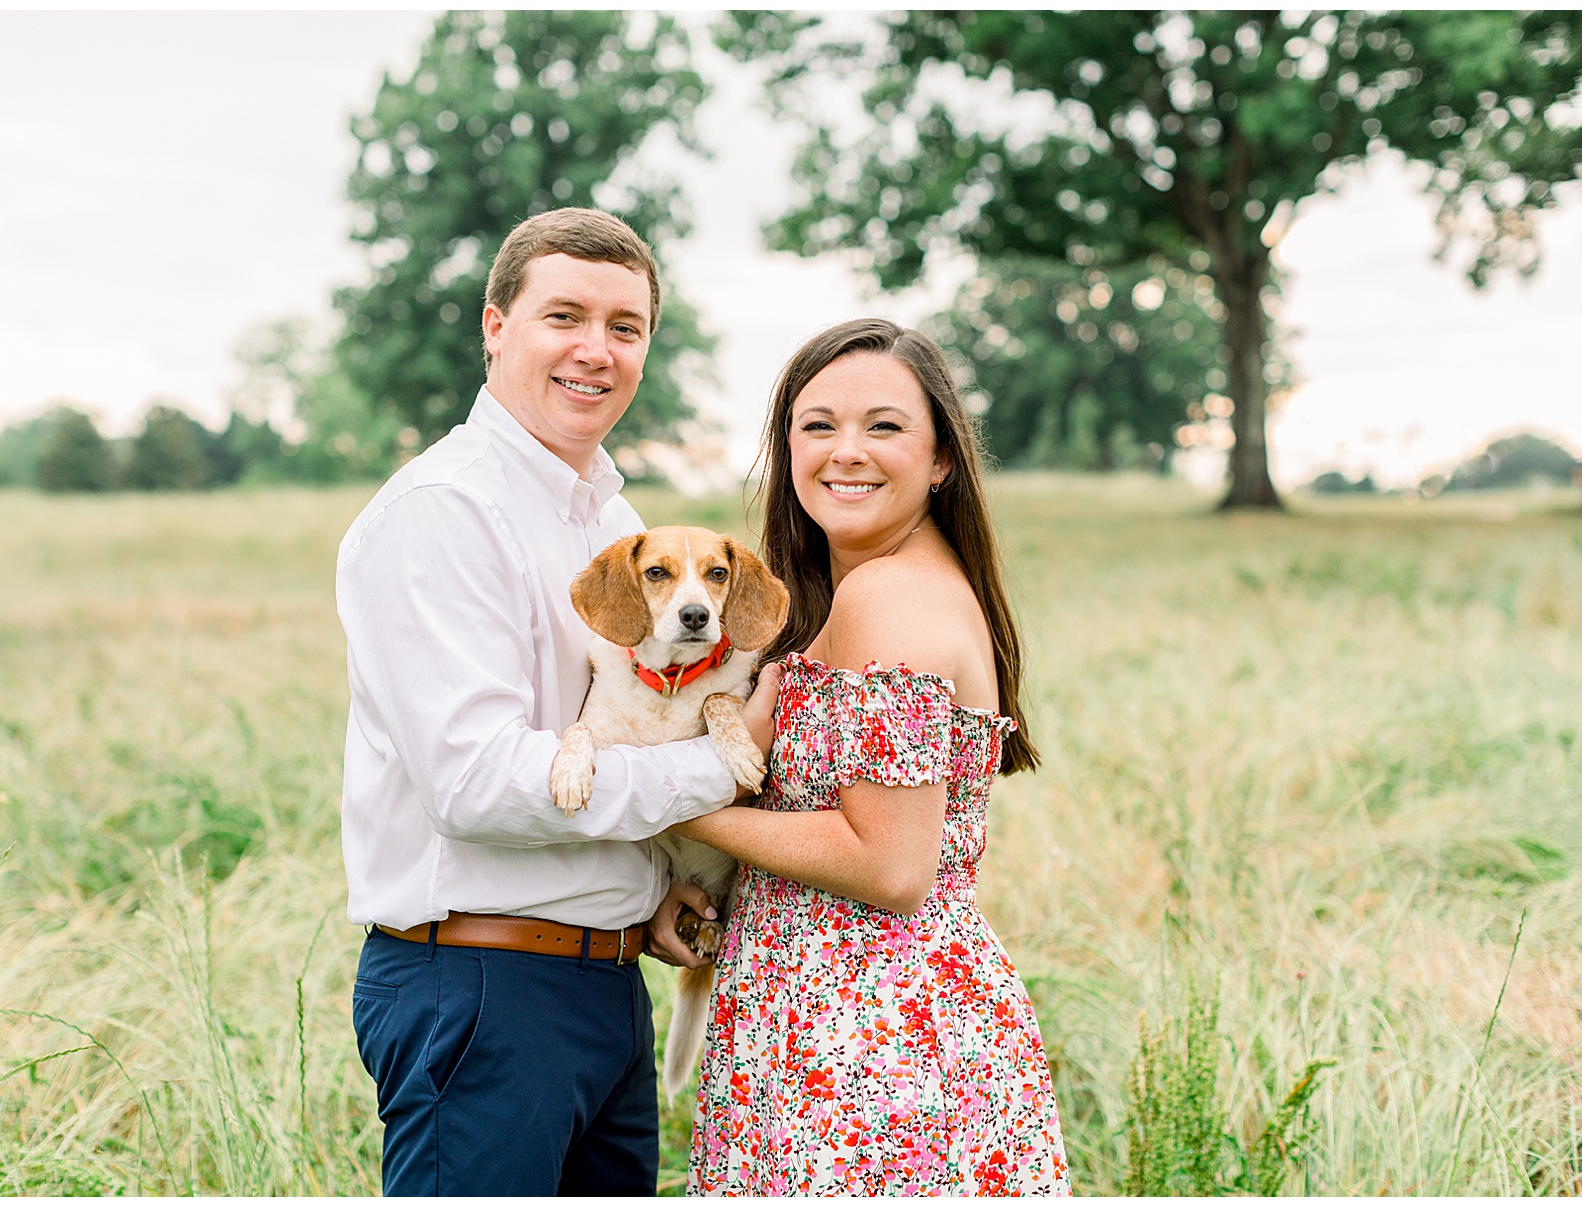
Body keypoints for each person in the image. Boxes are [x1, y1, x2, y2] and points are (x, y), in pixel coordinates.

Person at [335, 207, 776, 1196]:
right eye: (563, 315)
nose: (596, 350)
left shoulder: (617, 522)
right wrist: (722, 760)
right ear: (496, 326)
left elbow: (621, 727)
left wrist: (652, 890)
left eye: (625, 327)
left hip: (611, 982)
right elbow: (478, 784)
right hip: (482, 983)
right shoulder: (443, 511)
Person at [675, 318, 1070, 1195]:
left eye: (884, 426)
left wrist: (674, 803)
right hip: (836, 1030)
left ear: (941, 461)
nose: (845, 451)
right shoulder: (875, 587)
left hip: (871, 1049)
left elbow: (890, 865)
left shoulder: (889, 596)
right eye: (818, 426)